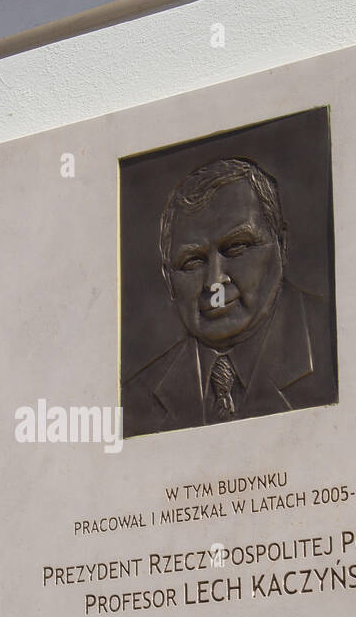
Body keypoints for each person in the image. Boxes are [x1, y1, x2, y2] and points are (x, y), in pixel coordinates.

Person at [123, 157, 336, 437]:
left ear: (282, 246)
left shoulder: (338, 346)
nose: (214, 283)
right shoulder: (133, 400)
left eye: (236, 248)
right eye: (192, 262)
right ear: (168, 279)